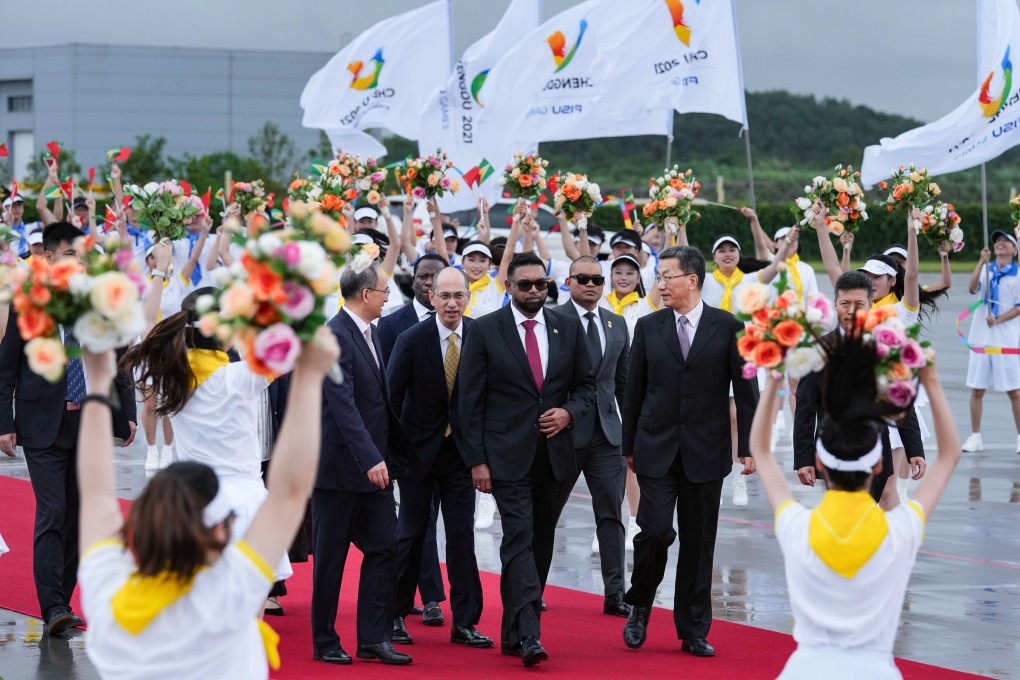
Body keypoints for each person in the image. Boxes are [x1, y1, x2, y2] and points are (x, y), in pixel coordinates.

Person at [76, 326, 339, 679]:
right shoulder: (232, 594)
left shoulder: (108, 597)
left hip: (207, 484)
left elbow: (95, 497)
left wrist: (96, 384)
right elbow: (290, 493)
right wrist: (310, 374)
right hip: (240, 490)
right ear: (219, 530)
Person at [750, 331, 960, 679]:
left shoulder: (797, 527)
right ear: (879, 466)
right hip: (875, 670)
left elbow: (761, 450)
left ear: (820, 461)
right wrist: (931, 381)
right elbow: (950, 455)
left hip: (805, 670)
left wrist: (774, 378)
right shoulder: (899, 530)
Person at [0, 221, 137, 635]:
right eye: (72, 255)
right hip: (42, 424)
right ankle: (54, 605)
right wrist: (4, 422)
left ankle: (61, 599)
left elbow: (118, 359)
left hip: (88, 423)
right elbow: (6, 367)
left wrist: (126, 412)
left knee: (80, 518)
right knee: (53, 512)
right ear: (49, 259)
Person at [621, 245, 758, 658]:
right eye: (658, 277)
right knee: (656, 531)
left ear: (692, 280)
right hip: (655, 448)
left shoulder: (729, 327)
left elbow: (747, 393)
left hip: (707, 450)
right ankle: (640, 603)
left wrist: (748, 447)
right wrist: (628, 446)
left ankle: (693, 629)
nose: (660, 284)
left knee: (700, 544)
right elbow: (634, 391)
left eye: (667, 276)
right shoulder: (648, 327)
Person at [459, 252, 596, 666]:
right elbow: (469, 402)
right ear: (509, 288)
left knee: (541, 542)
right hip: (505, 456)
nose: (535, 291)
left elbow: (588, 386)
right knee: (518, 537)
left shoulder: (568, 327)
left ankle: (513, 634)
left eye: (541, 285)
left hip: (556, 456)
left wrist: (569, 411)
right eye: (526, 285)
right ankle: (531, 636)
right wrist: (477, 461)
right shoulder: (484, 331)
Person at [311, 262, 414, 666]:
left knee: (385, 549)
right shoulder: (333, 335)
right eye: (385, 291)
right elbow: (343, 406)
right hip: (340, 470)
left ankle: (373, 638)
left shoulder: (372, 334)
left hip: (377, 469)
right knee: (331, 559)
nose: (389, 298)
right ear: (365, 294)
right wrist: (370, 456)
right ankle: (324, 640)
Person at [387, 267, 493, 649]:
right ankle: (395, 615)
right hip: (416, 456)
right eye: (444, 296)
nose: (451, 303)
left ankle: (465, 622)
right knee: (411, 534)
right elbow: (391, 400)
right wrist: (396, 457)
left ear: (469, 298)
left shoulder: (480, 337)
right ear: (431, 297)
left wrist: (482, 456)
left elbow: (488, 398)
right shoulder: (411, 340)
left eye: (458, 296)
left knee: (462, 537)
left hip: (461, 456)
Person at [553, 256, 632, 617]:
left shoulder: (617, 324)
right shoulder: (552, 321)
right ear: (568, 282)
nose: (591, 284)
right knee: (546, 513)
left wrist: (631, 434)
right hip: (561, 433)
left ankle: (615, 593)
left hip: (607, 435)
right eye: (582, 278)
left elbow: (625, 384)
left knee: (611, 516)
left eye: (597, 279)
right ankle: (533, 589)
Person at [793, 272, 908, 503]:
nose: (852, 310)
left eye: (859, 304)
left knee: (869, 512)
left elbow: (900, 402)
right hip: (832, 451)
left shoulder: (885, 347)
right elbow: (805, 407)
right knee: (844, 514)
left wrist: (914, 450)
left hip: (876, 450)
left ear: (870, 304)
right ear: (835, 304)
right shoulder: (819, 349)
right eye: (845, 303)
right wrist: (804, 458)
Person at [700, 231, 794, 506]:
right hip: (714, 356)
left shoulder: (751, 280)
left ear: (739, 255)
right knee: (719, 417)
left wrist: (786, 244)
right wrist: (678, 225)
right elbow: (682, 248)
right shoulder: (705, 283)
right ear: (714, 256)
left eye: (732, 249)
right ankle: (723, 470)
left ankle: (740, 475)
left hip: (745, 354)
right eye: (721, 250)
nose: (727, 254)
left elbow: (775, 267)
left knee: (737, 413)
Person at [961, 230, 1020, 453]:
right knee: (977, 389)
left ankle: (1019, 437)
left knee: (1014, 390)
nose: (1000, 244)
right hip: (981, 338)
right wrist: (981, 262)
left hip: (1006, 340)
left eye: (1006, 242)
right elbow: (973, 288)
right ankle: (975, 437)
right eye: (998, 242)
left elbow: (1018, 307)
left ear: (1015, 250)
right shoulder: (988, 269)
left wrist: (998, 320)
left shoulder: (1017, 274)